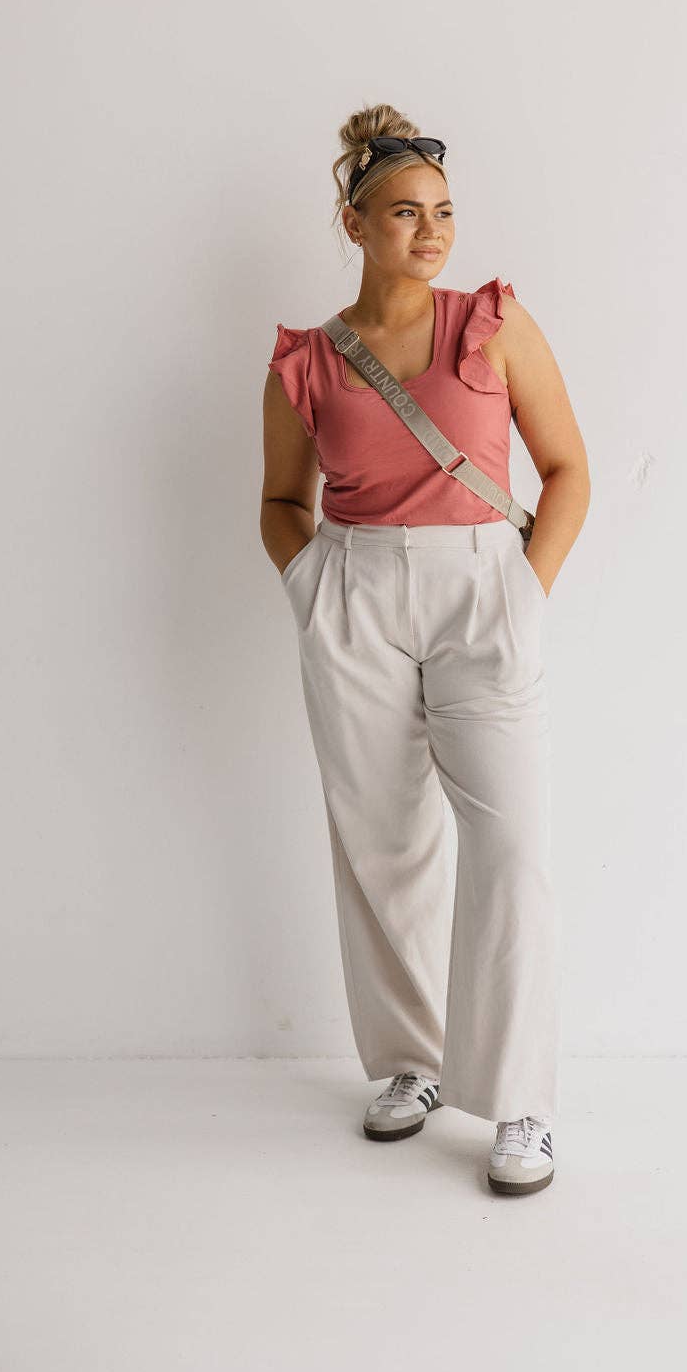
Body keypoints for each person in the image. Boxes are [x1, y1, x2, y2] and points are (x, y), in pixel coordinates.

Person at [260, 104, 590, 1196]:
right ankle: (412, 1061)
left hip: (482, 588)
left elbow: (568, 470)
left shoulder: (491, 323)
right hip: (354, 593)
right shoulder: (308, 360)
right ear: (354, 224)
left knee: (514, 843)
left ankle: (522, 1099)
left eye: (442, 211)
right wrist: (313, 589)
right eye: (404, 213)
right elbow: (280, 500)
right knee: (384, 843)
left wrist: (520, 593)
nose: (431, 231)